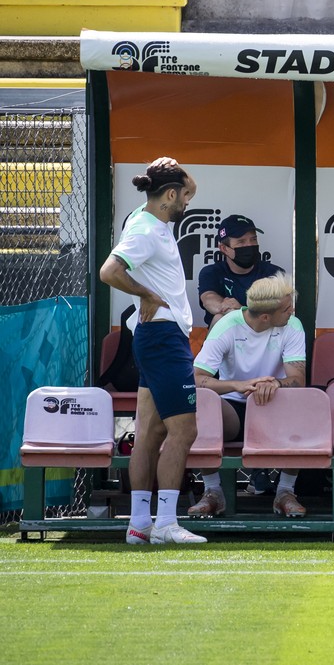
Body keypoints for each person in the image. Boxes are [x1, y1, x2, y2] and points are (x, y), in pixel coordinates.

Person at [98, 157, 206, 544]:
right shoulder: (144, 229)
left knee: (149, 430)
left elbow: (189, 186)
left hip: (155, 338)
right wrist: (145, 293)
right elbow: (109, 272)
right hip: (162, 339)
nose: (187, 203)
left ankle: (139, 524)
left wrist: (173, 164)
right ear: (170, 196)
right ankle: (166, 524)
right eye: (183, 198)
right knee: (184, 430)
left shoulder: (144, 217)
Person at [187, 273, 308, 518]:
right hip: (234, 408)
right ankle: (212, 492)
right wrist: (239, 385)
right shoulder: (227, 325)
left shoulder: (292, 325)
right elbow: (197, 378)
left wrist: (274, 383)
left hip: (275, 407)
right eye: (286, 309)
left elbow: (297, 381)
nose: (291, 311)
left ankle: (285, 492)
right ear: (266, 316)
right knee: (200, 405)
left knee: (304, 404)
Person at [197, 213, 283, 326]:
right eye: (241, 241)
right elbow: (208, 299)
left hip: (263, 336)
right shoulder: (211, 272)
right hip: (227, 337)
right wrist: (229, 309)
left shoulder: (274, 274)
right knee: (219, 318)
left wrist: (242, 311)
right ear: (224, 248)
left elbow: (278, 313)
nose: (250, 245)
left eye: (253, 239)